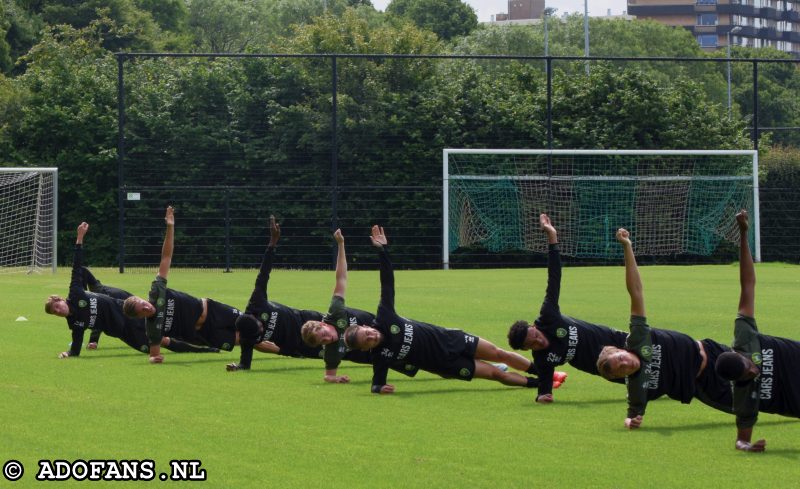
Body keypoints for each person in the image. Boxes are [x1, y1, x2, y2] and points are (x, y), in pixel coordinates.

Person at [343, 225, 564, 395]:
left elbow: (387, 284)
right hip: (447, 364)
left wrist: (382, 251)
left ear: (365, 326)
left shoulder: (384, 317)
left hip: (451, 339)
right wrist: (379, 389)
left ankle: (542, 372)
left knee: (499, 354)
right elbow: (376, 384)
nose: (371, 336)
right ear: (366, 348)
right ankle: (540, 383)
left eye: (367, 333)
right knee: (495, 374)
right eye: (368, 341)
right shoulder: (381, 355)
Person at [231, 220, 418, 379]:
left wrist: (272, 243)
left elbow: (263, 274)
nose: (263, 331)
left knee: (387, 332)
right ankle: (408, 364)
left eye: (260, 327)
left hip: (310, 321)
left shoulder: (257, 302)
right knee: (367, 352)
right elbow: (245, 361)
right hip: (304, 347)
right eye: (260, 333)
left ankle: (417, 346)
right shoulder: (250, 336)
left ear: (255, 317)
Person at [595, 228, 734, 429]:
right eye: (621, 371)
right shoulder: (637, 387)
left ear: (620, 350)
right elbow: (631, 415)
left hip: (712, 351)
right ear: (621, 378)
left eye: (621, 359)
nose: (626, 365)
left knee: (761, 365)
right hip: (706, 385)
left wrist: (627, 246)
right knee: (753, 403)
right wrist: (630, 421)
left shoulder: (638, 338)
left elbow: (636, 292)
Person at [45, 222, 216, 358]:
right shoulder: (74, 324)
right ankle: (203, 350)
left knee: (166, 330)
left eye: (57, 306)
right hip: (124, 332)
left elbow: (77, 267)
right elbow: (76, 347)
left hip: (131, 311)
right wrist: (68, 354)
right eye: (55, 312)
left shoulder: (76, 294)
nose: (58, 310)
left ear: (61, 299)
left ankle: (208, 347)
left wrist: (79, 238)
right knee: (155, 345)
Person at [507, 214, 625, 403]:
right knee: (641, 378)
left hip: (607, 336)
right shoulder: (542, 359)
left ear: (534, 327)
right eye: (533, 344)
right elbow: (545, 390)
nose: (539, 342)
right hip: (595, 364)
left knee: (651, 348)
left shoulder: (548, 315)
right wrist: (543, 397)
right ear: (527, 349)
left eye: (535, 335)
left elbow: (554, 277)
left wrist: (552, 236)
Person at [714, 210, 800, 452]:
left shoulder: (745, 337)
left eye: (749, 365)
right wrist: (746, 447)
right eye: (748, 374)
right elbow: (740, 439)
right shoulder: (743, 397)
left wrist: (743, 234)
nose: (754, 370)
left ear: (741, 354)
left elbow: (747, 284)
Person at [123, 207, 241, 363]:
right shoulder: (152, 329)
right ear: (140, 317)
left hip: (211, 310)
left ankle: (283, 336)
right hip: (204, 333)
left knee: (253, 323)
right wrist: (153, 359)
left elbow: (166, 257)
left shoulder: (157, 291)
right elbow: (153, 354)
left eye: (143, 303)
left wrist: (170, 226)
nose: (147, 307)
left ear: (141, 298)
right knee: (250, 338)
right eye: (142, 310)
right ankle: (284, 349)